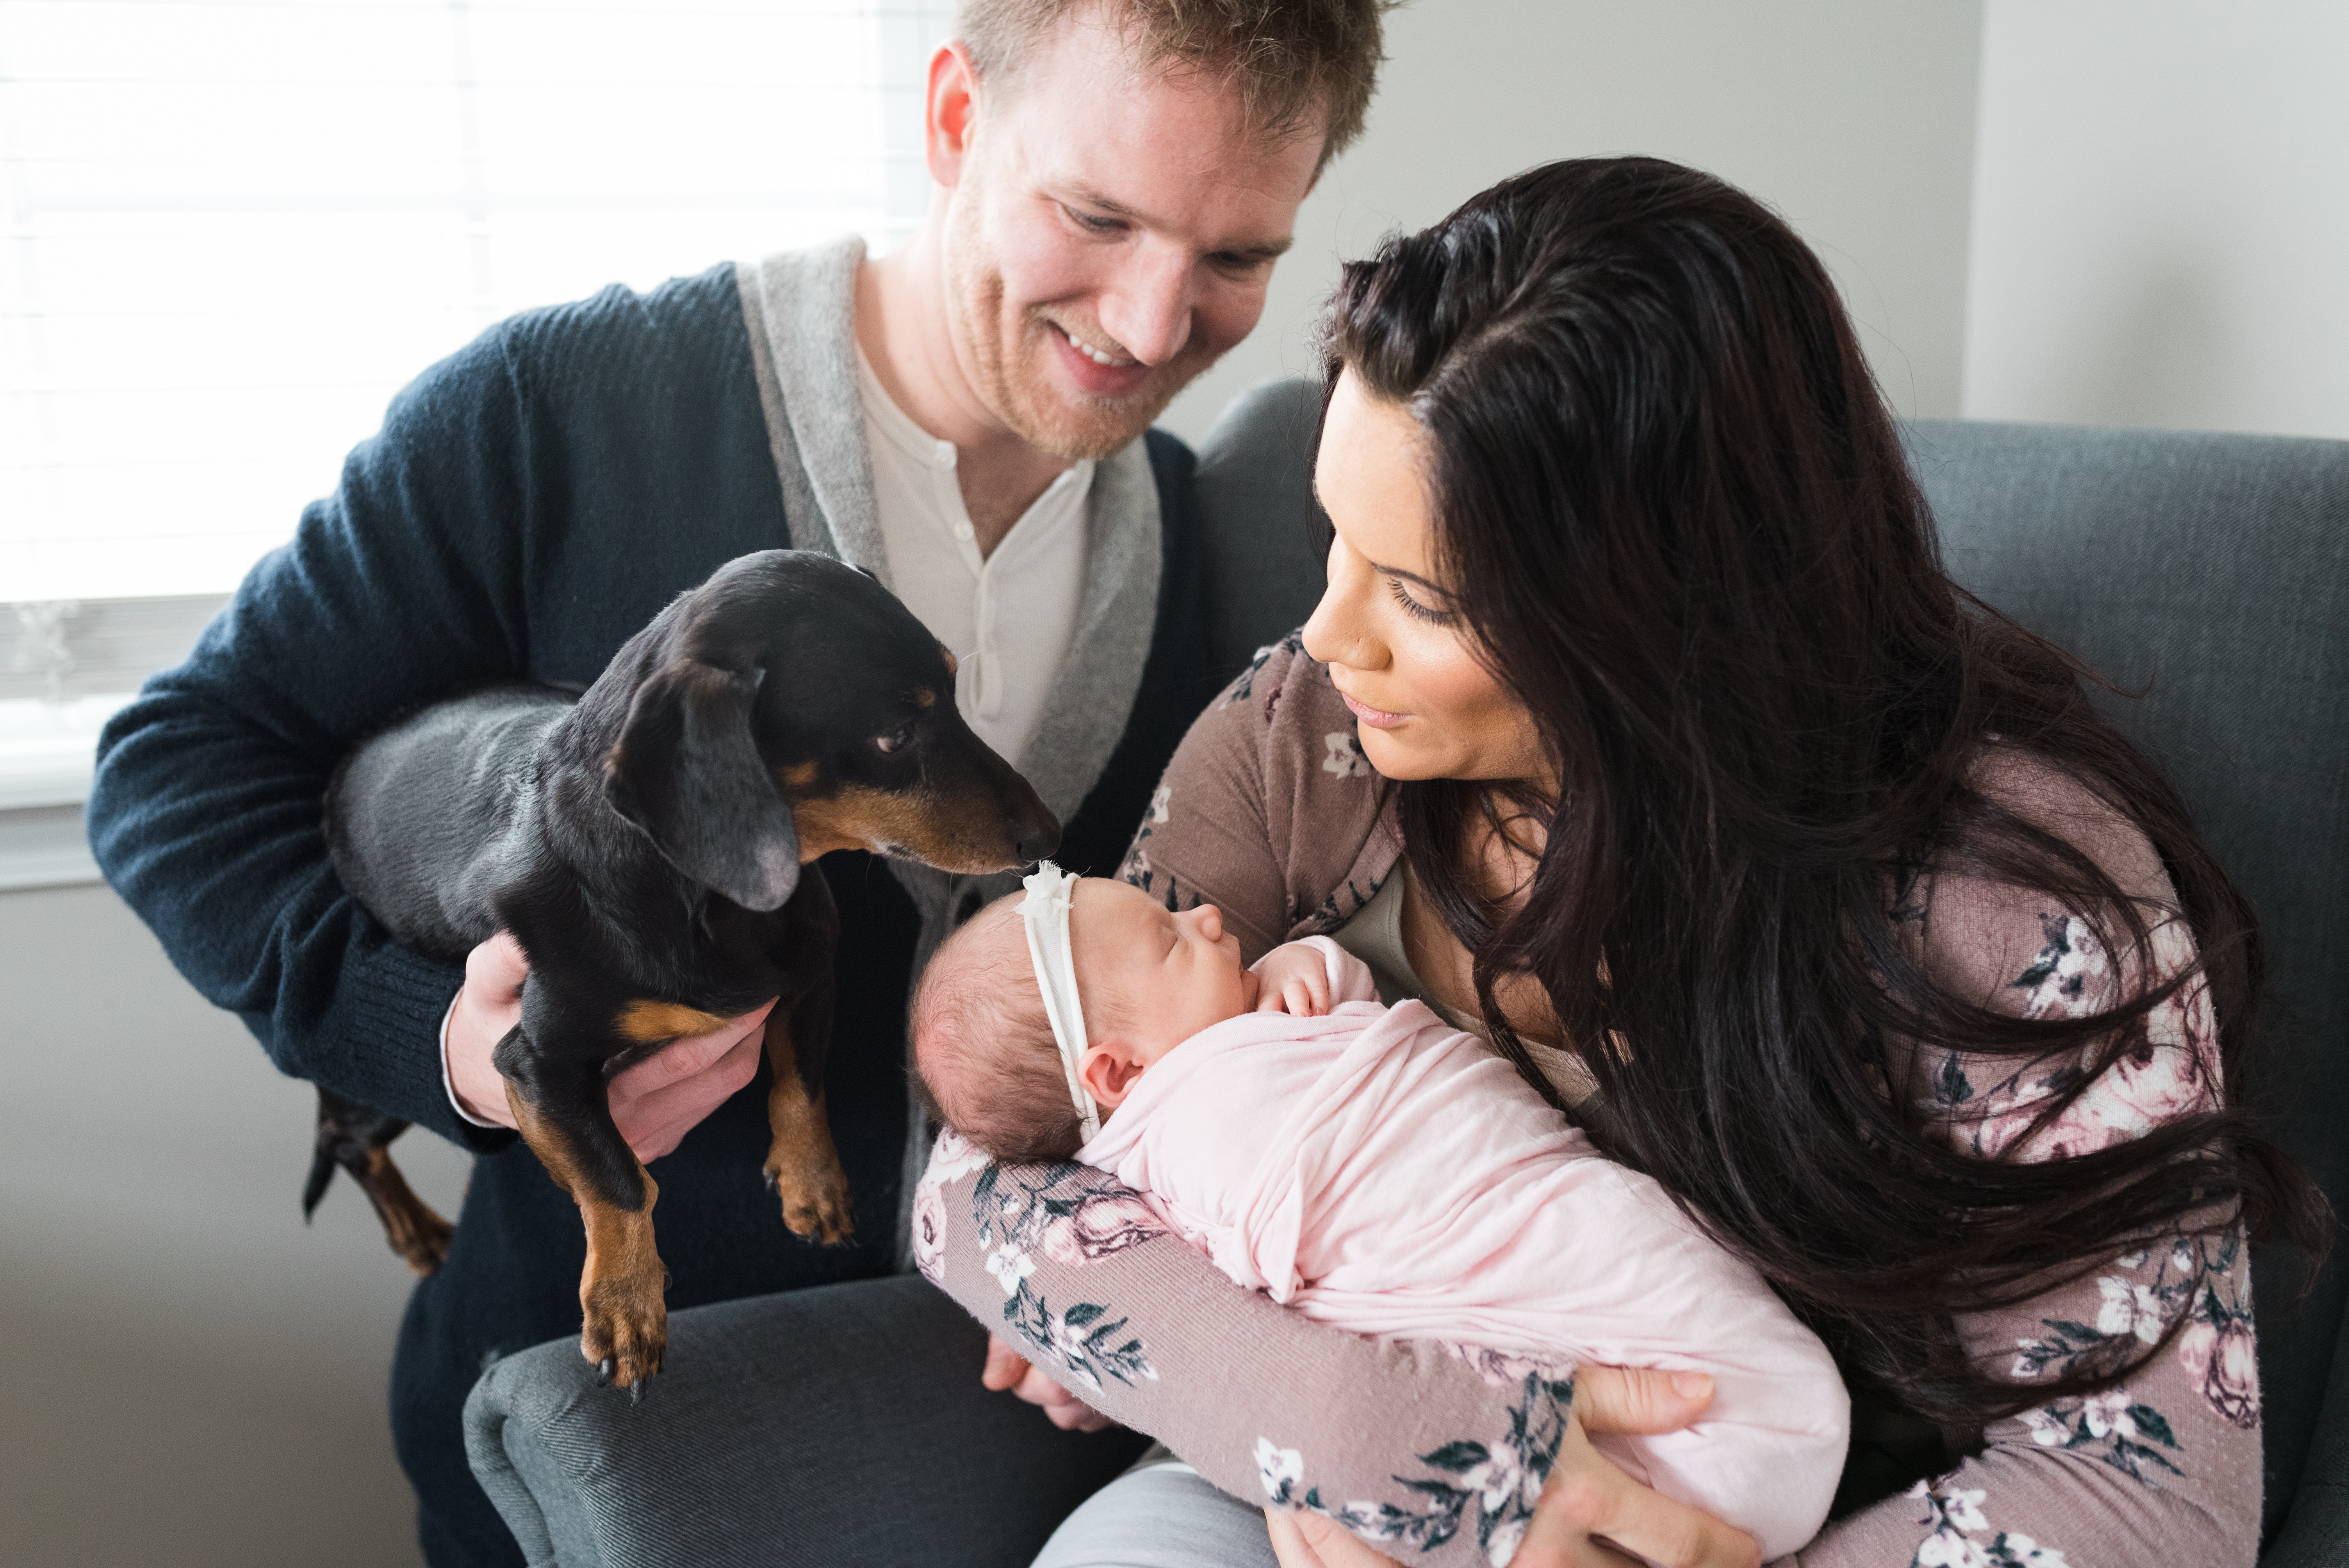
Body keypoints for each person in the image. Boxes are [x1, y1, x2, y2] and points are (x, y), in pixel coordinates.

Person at [83, 2, 1389, 1563]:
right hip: (590, 1460)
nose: (1153, 315)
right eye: (1094, 215)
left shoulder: (1215, 549)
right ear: (958, 120)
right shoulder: (558, 415)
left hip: (1020, 1470)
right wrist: (430, 1039)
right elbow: (177, 769)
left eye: (1237, 256)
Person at [918, 157, 2328, 1568]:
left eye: (1419, 593)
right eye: (1337, 537)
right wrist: (1370, 1440)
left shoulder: (2016, 909)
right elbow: (984, 1167)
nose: (1329, 634)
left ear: (1655, 617)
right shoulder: (1310, 738)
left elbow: (2147, 1495)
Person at [912, 869, 1849, 1561]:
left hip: (1515, 1192)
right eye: (1168, 937)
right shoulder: (1184, 1148)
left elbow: (1360, 1030)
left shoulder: (1222, 1018)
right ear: (1116, 1074)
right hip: (1425, 1330)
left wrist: (1301, 970)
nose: (1200, 913)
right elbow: (961, 1206)